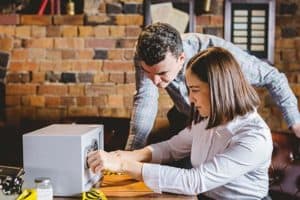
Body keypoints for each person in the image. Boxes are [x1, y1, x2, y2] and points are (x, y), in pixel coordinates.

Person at [87, 47, 273, 199]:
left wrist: (122, 165)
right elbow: (170, 148)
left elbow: (194, 181)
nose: (190, 99)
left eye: (195, 90)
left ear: (218, 89)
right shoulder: (208, 119)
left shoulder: (254, 138)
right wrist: (125, 155)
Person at [124, 22, 300, 150]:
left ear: (181, 59)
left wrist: (296, 122)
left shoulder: (219, 57)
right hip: (185, 119)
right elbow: (146, 100)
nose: (155, 82)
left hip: (222, 120)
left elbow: (273, 77)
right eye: (148, 72)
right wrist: (130, 153)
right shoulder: (144, 56)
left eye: (162, 74)